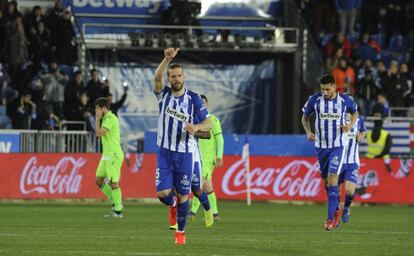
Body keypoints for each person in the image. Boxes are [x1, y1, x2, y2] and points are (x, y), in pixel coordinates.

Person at [153, 48, 212, 244]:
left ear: (183, 77)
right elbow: (157, 77)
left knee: (185, 195)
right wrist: (166, 59)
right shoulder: (164, 95)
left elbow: (209, 123)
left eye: (179, 75)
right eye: (173, 76)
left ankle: (180, 233)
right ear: (169, 78)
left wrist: (195, 127)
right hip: (164, 152)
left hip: (185, 154)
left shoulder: (193, 99)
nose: (176, 79)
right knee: (163, 194)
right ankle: (172, 203)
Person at [301, 74, 358, 231]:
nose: (325, 92)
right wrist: (308, 132)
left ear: (334, 87)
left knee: (333, 180)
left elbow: (355, 113)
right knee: (327, 183)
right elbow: (304, 118)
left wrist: (350, 126)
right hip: (321, 147)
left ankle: (329, 219)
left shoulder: (345, 100)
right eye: (322, 89)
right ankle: (337, 209)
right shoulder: (314, 100)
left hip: (338, 146)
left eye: (327, 89)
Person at [189, 94, 224, 221]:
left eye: (204, 103)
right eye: (200, 103)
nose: (202, 105)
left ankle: (192, 212)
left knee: (199, 184)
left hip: (208, 159)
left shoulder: (212, 120)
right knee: (207, 187)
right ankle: (215, 214)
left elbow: (219, 139)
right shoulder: (194, 121)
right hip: (195, 157)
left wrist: (219, 156)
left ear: (207, 104)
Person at [94, 97, 125, 218]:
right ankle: (117, 203)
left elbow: (99, 133)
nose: (96, 111)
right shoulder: (106, 118)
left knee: (113, 182)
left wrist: (97, 120)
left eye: (97, 109)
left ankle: (118, 211)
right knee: (98, 181)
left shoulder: (111, 118)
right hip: (106, 155)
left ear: (103, 108)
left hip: (113, 154)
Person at [338, 113, 366, 223]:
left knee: (349, 192)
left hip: (352, 162)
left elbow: (363, 131)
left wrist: (361, 136)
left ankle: (346, 207)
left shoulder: (359, 119)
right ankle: (335, 217)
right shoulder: (337, 117)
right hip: (338, 161)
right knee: (336, 193)